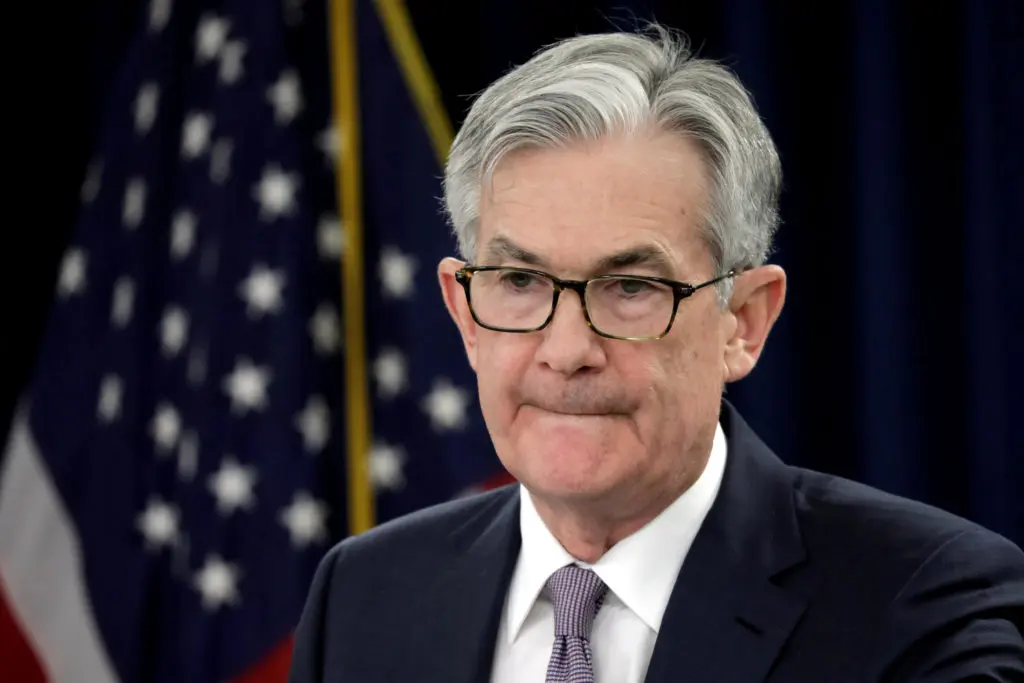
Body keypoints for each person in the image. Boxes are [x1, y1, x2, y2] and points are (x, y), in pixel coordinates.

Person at [288, 24, 1024, 683]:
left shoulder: (921, 605)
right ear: (464, 313)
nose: (567, 350)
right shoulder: (366, 595)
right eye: (519, 280)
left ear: (742, 320)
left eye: (630, 286)